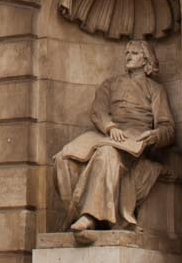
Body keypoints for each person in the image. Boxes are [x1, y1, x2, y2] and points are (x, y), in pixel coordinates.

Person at [53, 39, 174, 231]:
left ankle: (90, 217)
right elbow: (97, 111)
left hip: (133, 139)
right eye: (127, 53)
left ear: (145, 60)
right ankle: (72, 214)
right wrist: (110, 127)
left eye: (134, 53)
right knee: (63, 158)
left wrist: (153, 136)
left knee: (106, 154)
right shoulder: (110, 83)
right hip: (106, 134)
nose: (128, 56)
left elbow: (167, 129)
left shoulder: (155, 89)